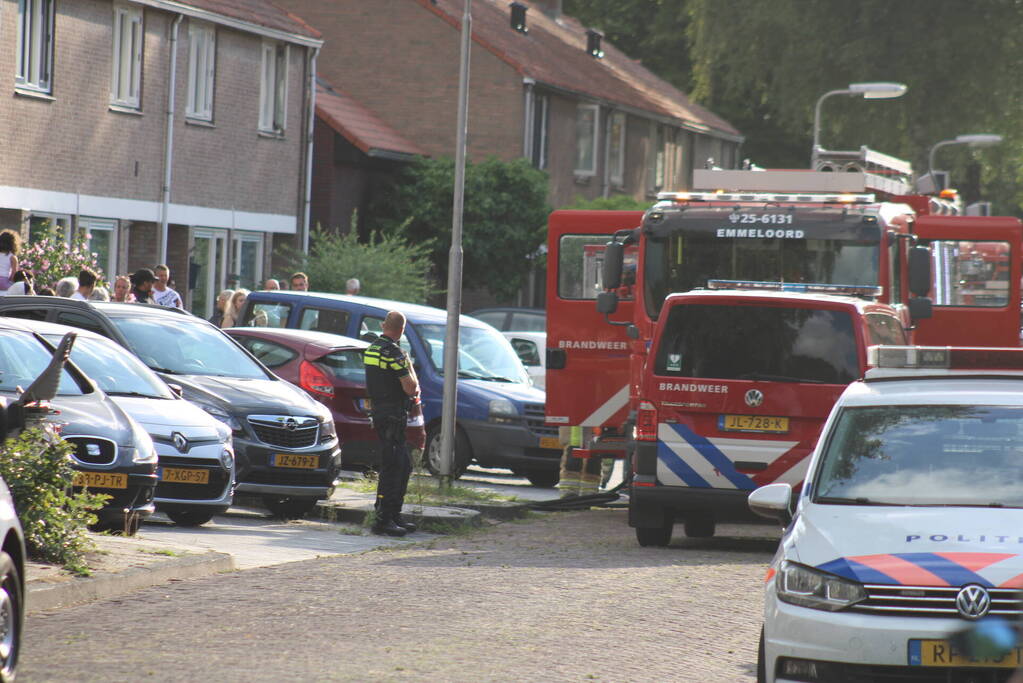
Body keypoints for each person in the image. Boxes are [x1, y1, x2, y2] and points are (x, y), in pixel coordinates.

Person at [364, 311, 420, 537]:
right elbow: (411, 387)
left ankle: (392, 515)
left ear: (383, 325)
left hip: (380, 412)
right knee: (394, 467)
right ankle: (383, 520)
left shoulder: (372, 349)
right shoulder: (395, 353)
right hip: (393, 415)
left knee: (401, 464)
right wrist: (407, 362)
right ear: (402, 330)